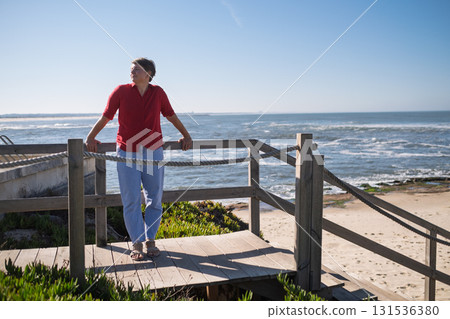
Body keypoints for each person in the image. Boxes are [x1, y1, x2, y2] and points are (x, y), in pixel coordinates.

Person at [85, 58, 192, 261]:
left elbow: (171, 116)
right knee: (131, 200)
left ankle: (150, 240)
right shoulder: (121, 91)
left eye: (137, 69)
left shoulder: (158, 93)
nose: (132, 71)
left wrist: (186, 136)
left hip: (153, 152)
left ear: (149, 74)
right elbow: (106, 116)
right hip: (127, 152)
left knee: (155, 198)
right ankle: (136, 243)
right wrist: (90, 137)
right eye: (131, 69)